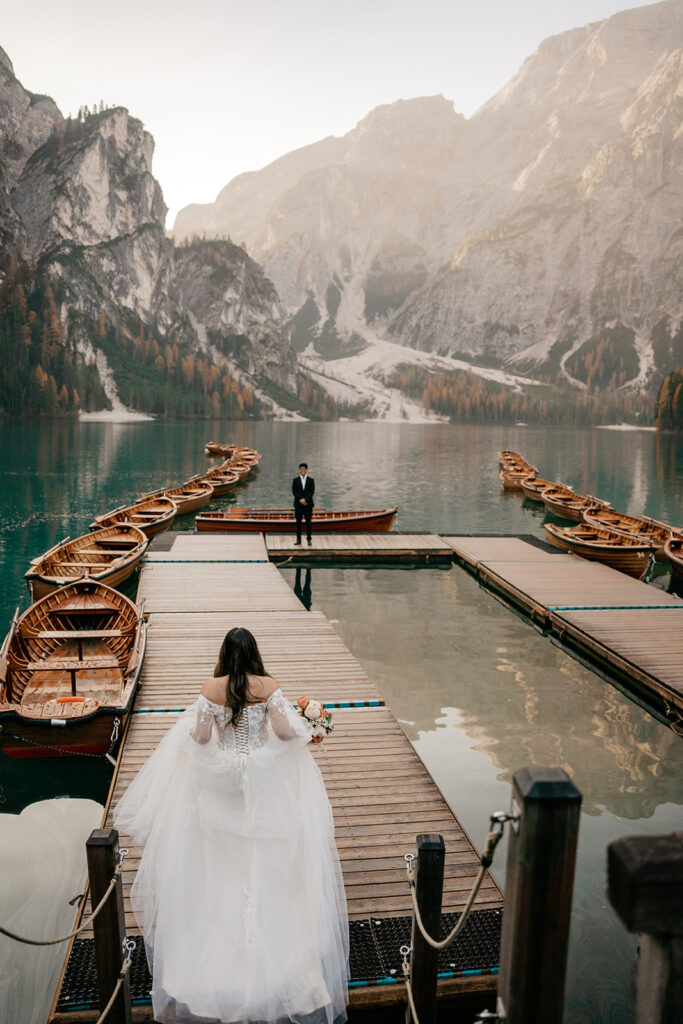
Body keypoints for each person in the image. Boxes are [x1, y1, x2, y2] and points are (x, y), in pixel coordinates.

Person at [113, 627, 349, 1024]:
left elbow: (203, 737)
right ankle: (277, 950)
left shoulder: (211, 687)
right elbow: (284, 731)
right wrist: (313, 727)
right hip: (264, 780)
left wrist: (195, 734)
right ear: (254, 652)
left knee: (223, 856)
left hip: (223, 783)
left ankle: (218, 951)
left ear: (225, 653)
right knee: (266, 851)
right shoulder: (268, 684)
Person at [292, 462, 315, 546]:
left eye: (304, 469)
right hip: (298, 505)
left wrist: (305, 500)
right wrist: (300, 500)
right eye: (301, 469)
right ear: (299, 470)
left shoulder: (311, 480)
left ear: (307, 470)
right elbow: (294, 492)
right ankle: (298, 540)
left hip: (308, 505)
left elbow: (311, 492)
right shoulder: (295, 480)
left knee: (308, 522)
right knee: (298, 523)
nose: (303, 471)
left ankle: (309, 539)